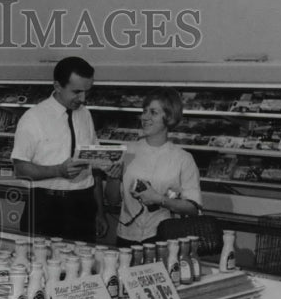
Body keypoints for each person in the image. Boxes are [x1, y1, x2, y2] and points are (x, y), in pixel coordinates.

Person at [11, 56, 107, 243]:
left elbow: (92, 166)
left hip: (83, 204)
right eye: (77, 91)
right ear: (57, 86)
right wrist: (58, 171)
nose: (83, 98)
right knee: (41, 267)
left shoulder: (85, 114)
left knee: (82, 268)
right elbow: (20, 170)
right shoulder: (33, 118)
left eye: (87, 91)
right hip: (46, 206)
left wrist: (99, 211)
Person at [107, 88, 201, 247]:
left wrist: (160, 199)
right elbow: (112, 200)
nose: (145, 117)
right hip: (126, 237)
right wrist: (112, 178)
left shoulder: (183, 159)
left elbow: (193, 208)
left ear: (169, 117)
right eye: (144, 111)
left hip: (164, 238)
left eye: (153, 112)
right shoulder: (126, 151)